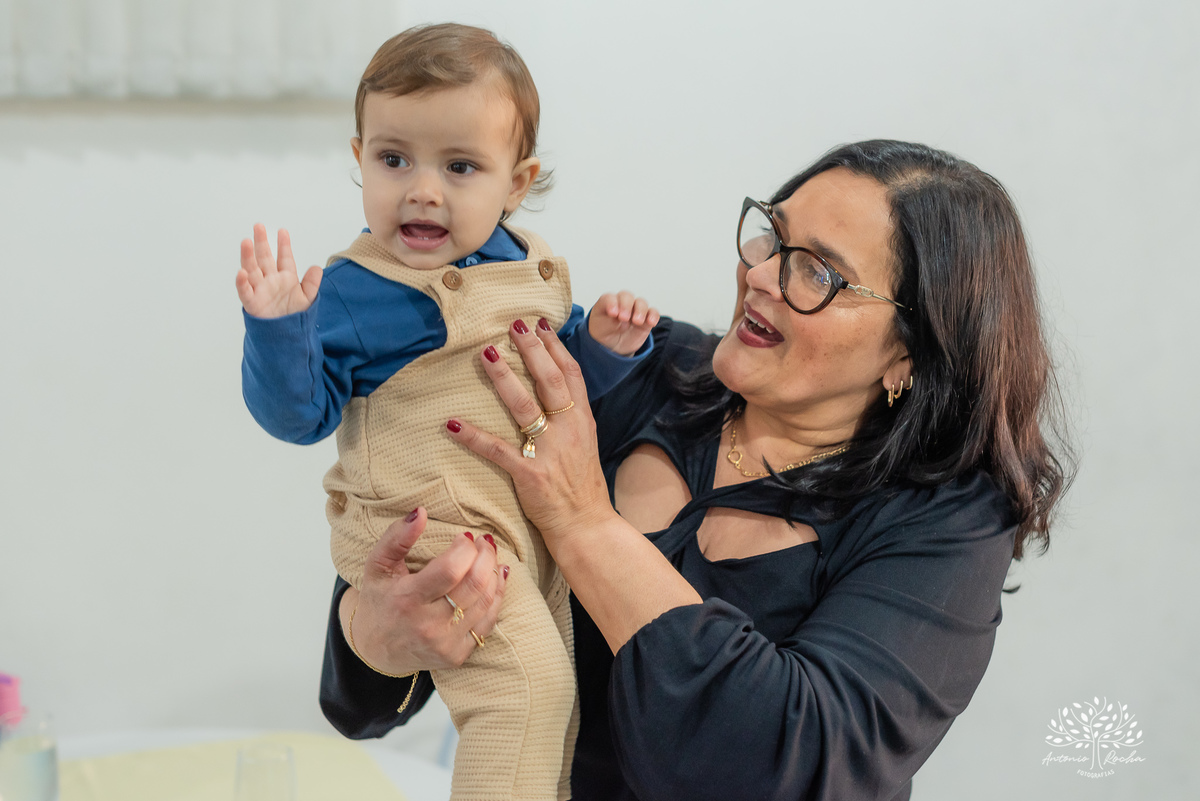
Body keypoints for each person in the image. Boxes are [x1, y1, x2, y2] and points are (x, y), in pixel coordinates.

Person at [319, 139, 1071, 801]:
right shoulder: (629, 372)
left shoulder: (946, 518)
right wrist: (375, 637)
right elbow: (370, 681)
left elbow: (783, 766)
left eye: (818, 273)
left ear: (910, 352)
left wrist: (583, 523)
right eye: (772, 234)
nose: (763, 275)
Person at [238, 23, 658, 801]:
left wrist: (602, 347)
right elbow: (300, 415)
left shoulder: (530, 267)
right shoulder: (358, 289)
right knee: (521, 691)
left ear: (517, 182)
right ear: (358, 155)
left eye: (460, 166)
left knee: (557, 709)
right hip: (426, 526)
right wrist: (277, 331)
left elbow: (563, 387)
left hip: (520, 534)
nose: (423, 190)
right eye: (394, 159)